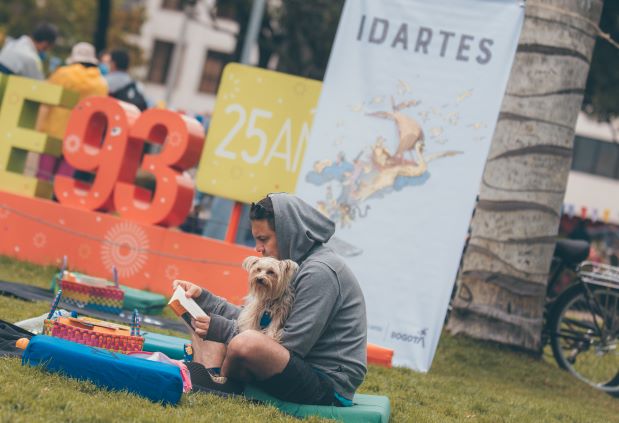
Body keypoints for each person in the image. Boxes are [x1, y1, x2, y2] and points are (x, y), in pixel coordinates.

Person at [174, 193, 367, 406]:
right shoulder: (296, 262)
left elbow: (291, 345)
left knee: (245, 342)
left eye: (263, 239)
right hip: (293, 364)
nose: (258, 248)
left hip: (327, 383)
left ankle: (217, 379)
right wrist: (203, 298)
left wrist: (222, 329)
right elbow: (255, 319)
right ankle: (213, 377)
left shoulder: (319, 272)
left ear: (288, 234)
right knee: (200, 315)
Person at [36, 42, 108, 181]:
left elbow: (45, 96)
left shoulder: (63, 74)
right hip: (79, 136)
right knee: (63, 180)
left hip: (53, 132)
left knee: (42, 177)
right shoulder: (101, 84)